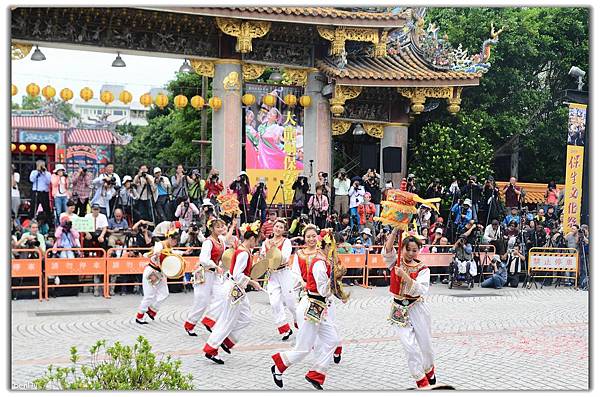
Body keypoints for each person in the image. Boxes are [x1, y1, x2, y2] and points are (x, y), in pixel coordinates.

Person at [271, 229, 345, 390]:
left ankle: (316, 374)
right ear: (328, 245)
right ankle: (279, 365)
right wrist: (335, 281)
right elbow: (323, 289)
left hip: (319, 307)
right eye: (335, 247)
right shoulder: (319, 263)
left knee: (332, 339)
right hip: (311, 306)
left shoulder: (324, 260)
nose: (336, 250)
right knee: (303, 348)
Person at [380, 230, 436, 389]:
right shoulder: (395, 262)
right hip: (398, 308)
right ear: (402, 248)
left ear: (419, 250)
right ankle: (421, 380)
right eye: (407, 249)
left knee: (426, 345)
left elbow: (421, 290)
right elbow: (387, 250)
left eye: (414, 250)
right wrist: (394, 231)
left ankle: (429, 368)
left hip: (417, 307)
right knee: (409, 346)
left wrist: (405, 276)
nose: (411, 253)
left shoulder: (423, 268)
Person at [202, 221, 263, 364]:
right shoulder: (243, 253)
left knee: (246, 317)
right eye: (257, 240)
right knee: (227, 320)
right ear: (252, 239)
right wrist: (252, 282)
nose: (257, 243)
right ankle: (211, 348)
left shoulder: (245, 250)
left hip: (238, 289)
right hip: (234, 289)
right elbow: (237, 275)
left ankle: (227, 341)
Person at [183, 218, 230, 336]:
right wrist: (215, 265)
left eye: (222, 226)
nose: (221, 229)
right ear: (211, 229)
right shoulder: (208, 242)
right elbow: (203, 259)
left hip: (215, 274)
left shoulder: (222, 241)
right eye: (218, 227)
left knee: (222, 296)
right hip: (204, 273)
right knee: (201, 301)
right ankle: (189, 325)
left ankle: (209, 321)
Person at [135, 228, 184, 324]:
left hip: (161, 274)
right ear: (170, 238)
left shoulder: (169, 247)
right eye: (174, 240)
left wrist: (184, 252)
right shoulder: (160, 244)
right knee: (149, 295)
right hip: (152, 271)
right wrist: (156, 254)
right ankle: (139, 316)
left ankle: (152, 310)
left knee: (164, 293)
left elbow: (173, 252)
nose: (175, 243)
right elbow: (154, 253)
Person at [261, 218, 297, 340]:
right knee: (274, 302)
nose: (278, 229)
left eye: (281, 227)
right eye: (277, 226)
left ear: (284, 230)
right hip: (272, 274)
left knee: (291, 302)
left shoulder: (286, 242)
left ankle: (299, 321)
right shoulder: (265, 242)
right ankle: (284, 328)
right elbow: (262, 257)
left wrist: (272, 256)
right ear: (273, 227)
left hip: (284, 273)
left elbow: (285, 258)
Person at [29, 160, 53, 226]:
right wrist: (38, 173)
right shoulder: (34, 172)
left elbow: (48, 182)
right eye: (39, 165)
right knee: (33, 208)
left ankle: (49, 224)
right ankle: (31, 223)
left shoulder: (47, 173)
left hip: (44, 192)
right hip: (36, 192)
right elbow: (31, 180)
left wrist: (43, 173)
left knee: (46, 209)